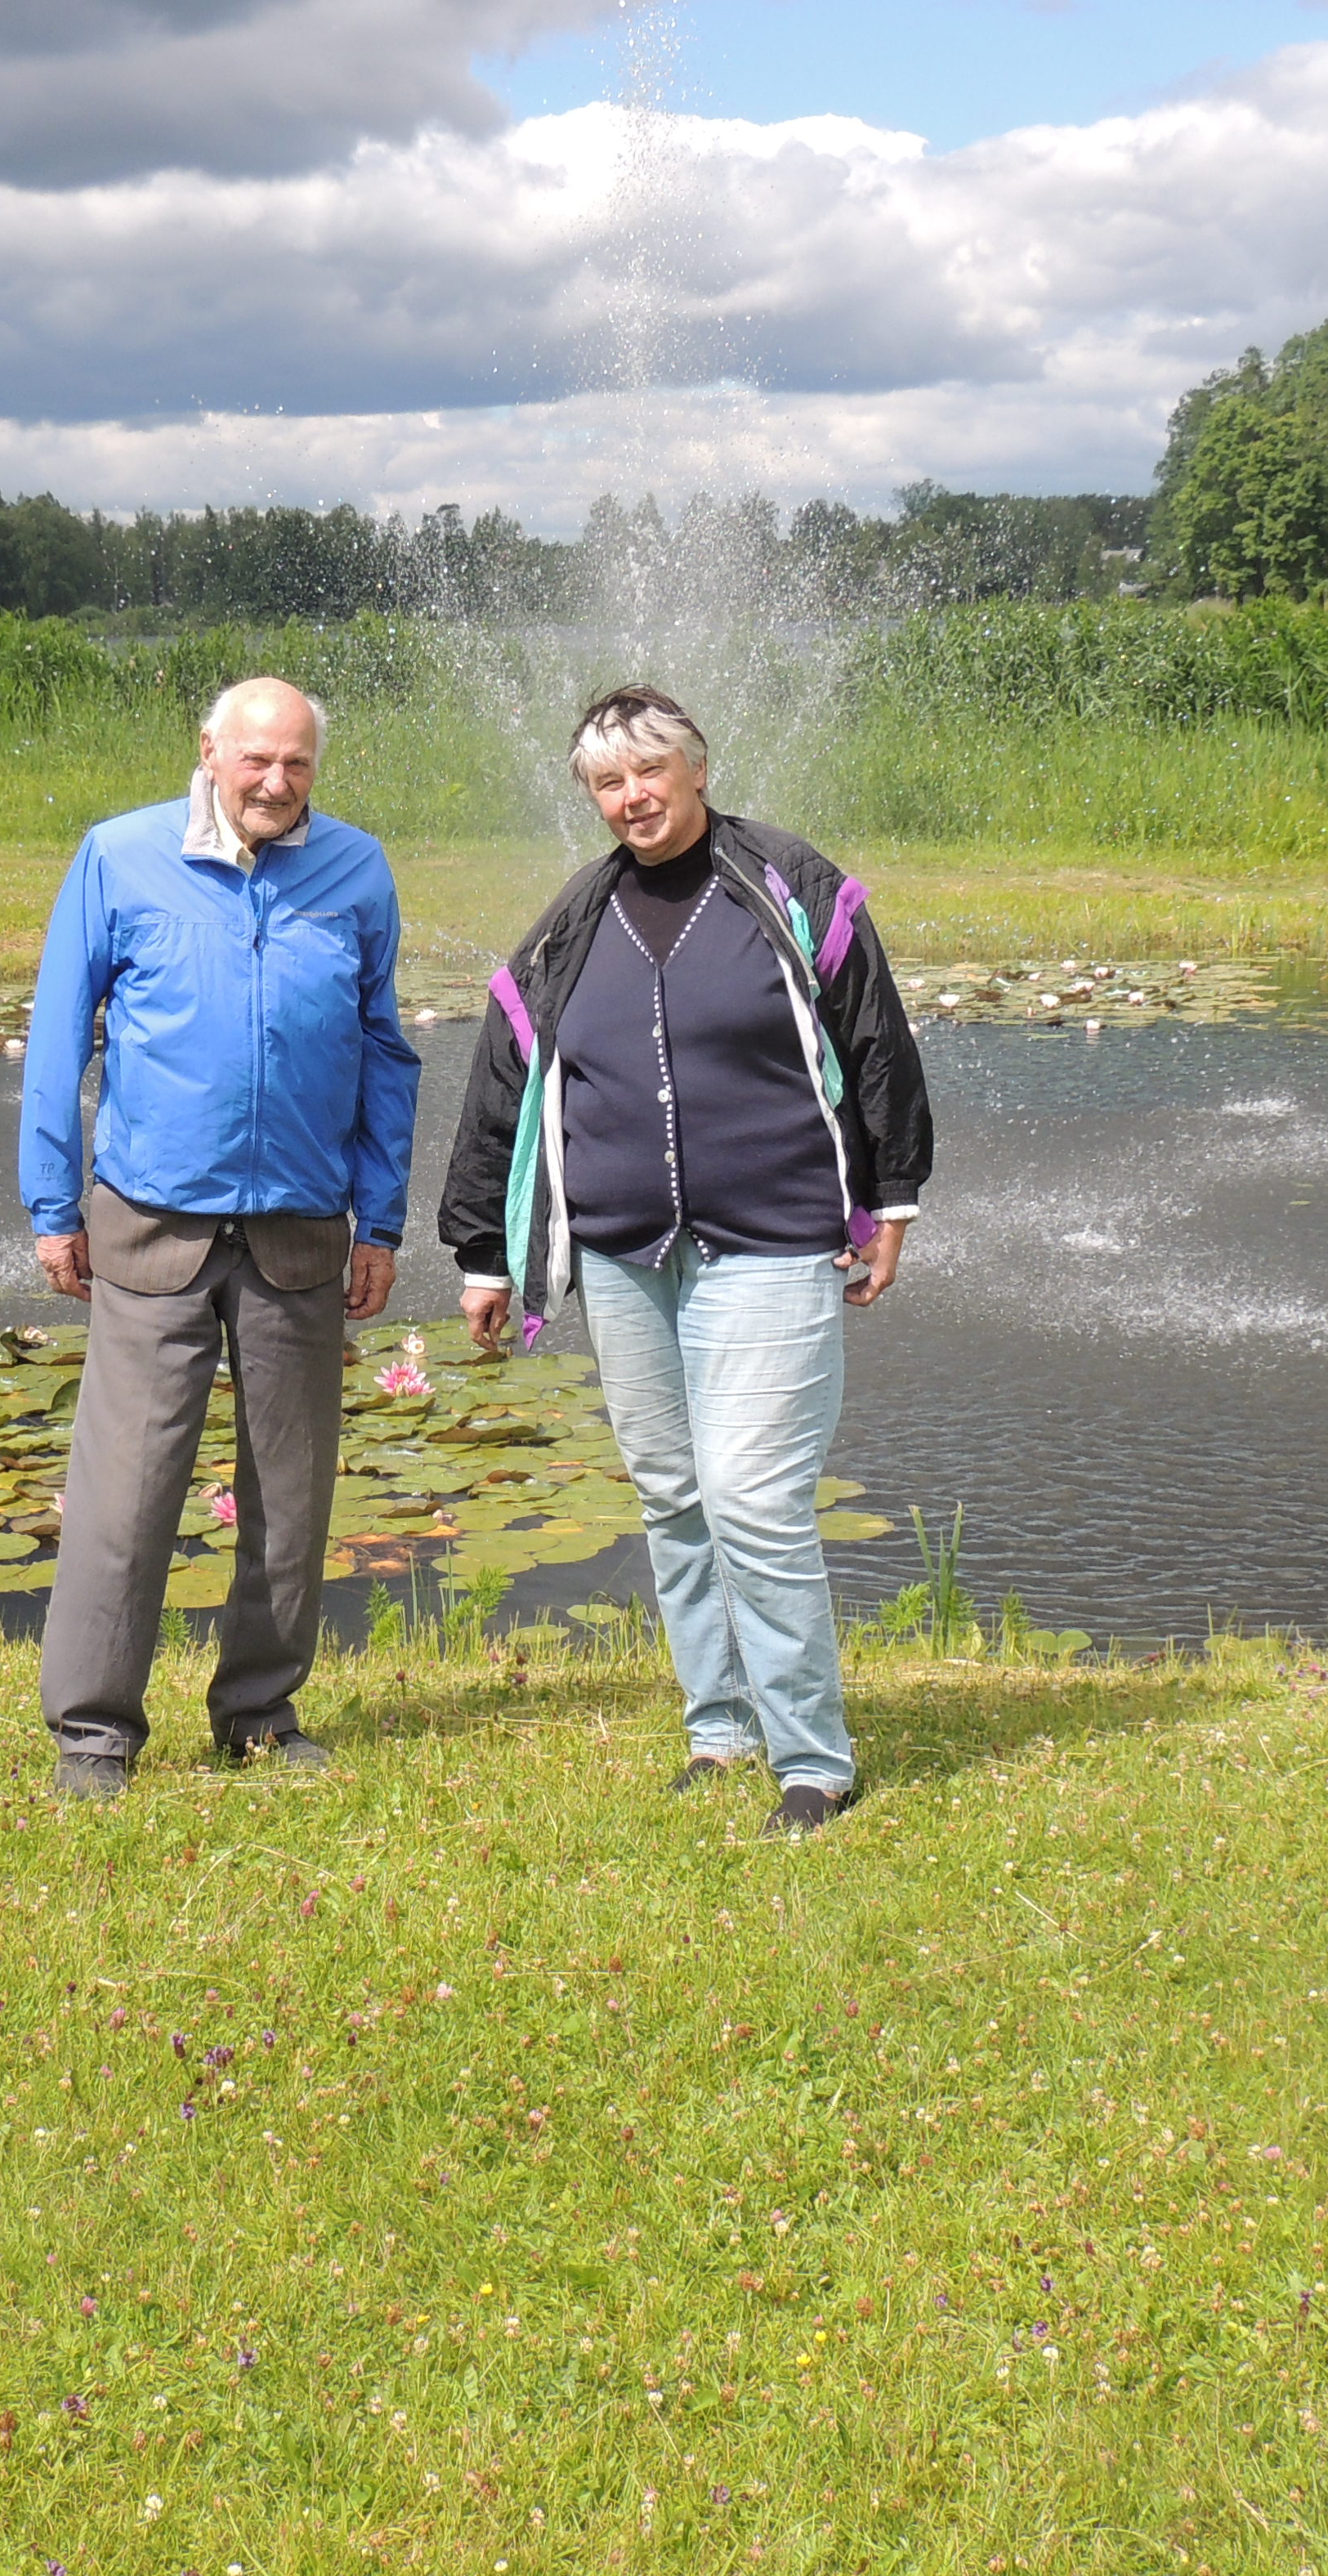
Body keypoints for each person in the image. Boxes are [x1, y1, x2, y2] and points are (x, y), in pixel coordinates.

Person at [439, 686, 930, 1837]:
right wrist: (484, 1253)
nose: (634, 797)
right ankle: (718, 1731)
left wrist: (892, 1197)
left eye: (651, 772)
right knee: (672, 1495)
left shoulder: (791, 886)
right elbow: (504, 1084)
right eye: (609, 783)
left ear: (697, 769)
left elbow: (875, 1042)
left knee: (752, 1496)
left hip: (774, 1241)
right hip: (622, 1255)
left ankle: (812, 1760)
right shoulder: (572, 922)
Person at [20, 675, 422, 1801]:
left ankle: (258, 1716)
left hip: (302, 1228)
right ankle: (94, 1734)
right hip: (153, 1224)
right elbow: (59, 1037)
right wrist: (52, 1204)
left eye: (297, 763)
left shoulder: (357, 870)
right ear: (209, 750)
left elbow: (386, 1053)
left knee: (291, 1497)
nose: (275, 782)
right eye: (256, 759)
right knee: (127, 1494)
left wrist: (382, 1216)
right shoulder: (119, 856)